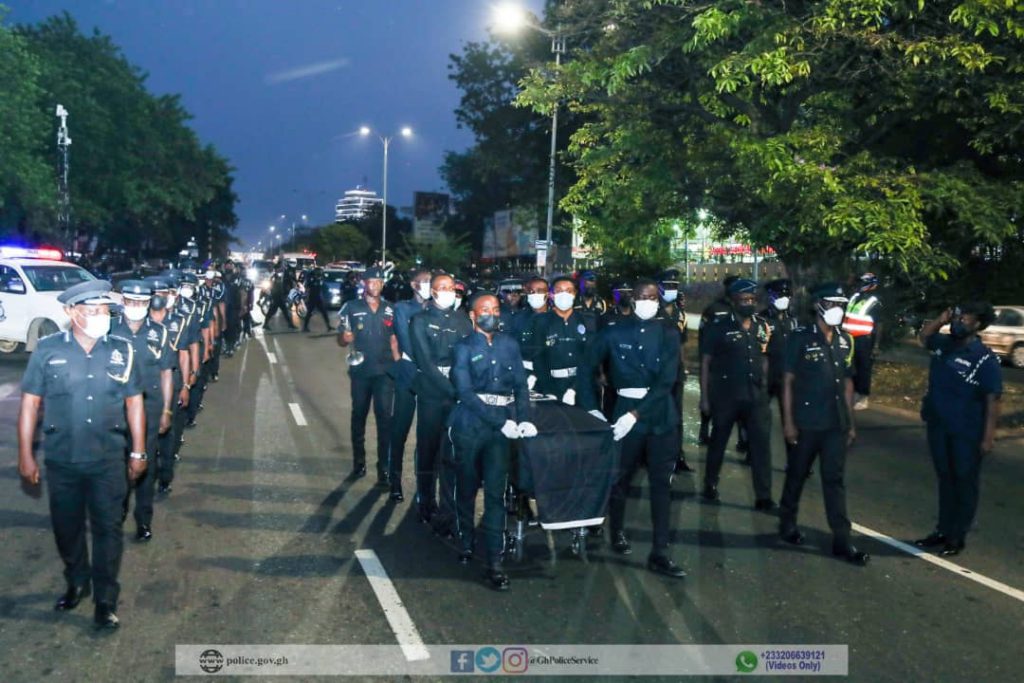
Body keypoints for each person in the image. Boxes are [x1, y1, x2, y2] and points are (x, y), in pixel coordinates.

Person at [17, 280, 147, 630]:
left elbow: (134, 402)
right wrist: (25, 454)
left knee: (108, 530)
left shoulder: (122, 349)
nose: (101, 317)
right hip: (63, 460)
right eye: (92, 311)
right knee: (67, 528)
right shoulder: (46, 350)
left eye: (105, 311)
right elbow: (30, 403)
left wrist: (138, 450)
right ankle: (77, 580)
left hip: (108, 459)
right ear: (71, 313)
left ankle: (105, 601)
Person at [580, 278, 686, 578]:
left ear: (659, 299)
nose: (646, 301)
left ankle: (660, 552)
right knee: (619, 478)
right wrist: (591, 407)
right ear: (631, 298)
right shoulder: (613, 331)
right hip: (624, 411)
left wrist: (636, 415)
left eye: (652, 297)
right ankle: (616, 531)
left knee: (661, 485)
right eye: (641, 296)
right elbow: (586, 366)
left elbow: (666, 381)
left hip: (659, 416)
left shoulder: (668, 332)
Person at [449, 292, 534, 591]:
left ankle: (494, 562)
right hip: (471, 426)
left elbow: (522, 386)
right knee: (467, 487)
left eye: (496, 310)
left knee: (496, 493)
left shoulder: (509, 345)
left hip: (502, 429)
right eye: (485, 310)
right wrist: (502, 422)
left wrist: (524, 419)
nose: (492, 314)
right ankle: (465, 541)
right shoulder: (462, 347)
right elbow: (465, 393)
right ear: (472, 315)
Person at [779, 283, 869, 566]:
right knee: (797, 475)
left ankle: (842, 541)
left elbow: (847, 383)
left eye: (841, 305)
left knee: (834, 481)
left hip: (835, 424)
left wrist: (850, 423)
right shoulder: (800, 338)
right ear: (818, 305)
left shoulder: (845, 340)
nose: (837, 310)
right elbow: (788, 382)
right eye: (832, 304)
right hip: (806, 423)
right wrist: (789, 423)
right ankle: (787, 525)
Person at [914, 302, 1001, 557]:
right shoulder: (943, 344)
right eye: (959, 317)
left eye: (966, 319)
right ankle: (942, 530)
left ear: (978, 325)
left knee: (964, 481)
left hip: (966, 432)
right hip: (938, 425)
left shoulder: (985, 358)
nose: (960, 322)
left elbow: (992, 400)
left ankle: (956, 536)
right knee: (945, 479)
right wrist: (942, 318)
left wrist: (987, 438)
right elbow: (924, 336)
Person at [699, 278, 774, 510]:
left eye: (751, 299)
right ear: (733, 301)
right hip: (726, 396)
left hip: (755, 396)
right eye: (743, 300)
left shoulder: (762, 325)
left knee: (761, 447)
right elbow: (705, 363)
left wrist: (765, 386)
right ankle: (710, 483)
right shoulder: (718, 326)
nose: (748, 303)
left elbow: (766, 358)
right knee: (718, 442)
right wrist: (705, 397)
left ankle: (764, 495)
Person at [112, 281, 175, 542]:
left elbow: (166, 374)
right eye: (131, 302)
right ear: (124, 302)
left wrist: (167, 410)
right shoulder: (109, 331)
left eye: (141, 303)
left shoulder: (159, 333)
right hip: (114, 410)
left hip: (149, 408)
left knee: (144, 465)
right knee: (116, 463)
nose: (136, 307)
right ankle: (119, 505)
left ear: (148, 304)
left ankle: (143, 519)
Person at [409, 274, 473, 531]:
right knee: (428, 449)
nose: (448, 292)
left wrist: (463, 389)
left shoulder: (463, 320)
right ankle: (425, 499)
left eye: (451, 288)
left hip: (458, 393)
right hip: (433, 394)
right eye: (442, 288)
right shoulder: (420, 321)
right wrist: (454, 390)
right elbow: (425, 363)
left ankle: (449, 507)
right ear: (432, 292)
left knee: (452, 452)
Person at [337, 267, 399, 482]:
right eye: (370, 281)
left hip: (385, 372)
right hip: (361, 372)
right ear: (364, 283)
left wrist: (399, 366)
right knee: (359, 416)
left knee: (385, 419)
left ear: (383, 284)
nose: (375, 285)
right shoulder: (351, 307)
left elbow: (394, 340)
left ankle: (383, 467)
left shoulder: (391, 309)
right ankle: (359, 462)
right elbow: (341, 339)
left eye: (378, 282)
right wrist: (345, 338)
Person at [387, 269, 432, 501]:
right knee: (400, 430)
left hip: (432, 380)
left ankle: (423, 489)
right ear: (414, 285)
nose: (428, 285)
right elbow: (405, 341)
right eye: (425, 282)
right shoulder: (402, 309)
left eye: (431, 282)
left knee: (427, 435)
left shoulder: (438, 309)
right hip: (409, 373)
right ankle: (394, 480)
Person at [145, 276, 191, 494]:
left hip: (170, 382)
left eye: (164, 295)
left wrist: (186, 384)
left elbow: (184, 354)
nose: (160, 299)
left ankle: (165, 474)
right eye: (155, 295)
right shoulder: (139, 325)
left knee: (166, 432)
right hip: (144, 386)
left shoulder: (177, 321)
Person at [655, 269, 694, 474]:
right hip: (655, 373)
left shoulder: (680, 314)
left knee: (676, 416)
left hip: (675, 373)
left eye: (674, 287)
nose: (671, 290)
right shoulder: (650, 310)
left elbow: (682, 344)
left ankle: (677, 456)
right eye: (668, 286)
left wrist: (684, 366)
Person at [697, 275, 740, 446]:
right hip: (714, 362)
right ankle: (704, 430)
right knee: (710, 398)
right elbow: (702, 334)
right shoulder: (713, 309)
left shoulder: (741, 308)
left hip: (734, 364)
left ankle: (741, 439)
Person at [762, 279, 801, 461]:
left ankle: (794, 459)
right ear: (771, 297)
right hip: (766, 376)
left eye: (787, 295)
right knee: (761, 418)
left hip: (786, 377)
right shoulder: (762, 319)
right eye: (780, 295)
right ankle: (753, 452)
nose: (784, 298)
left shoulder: (793, 320)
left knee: (790, 418)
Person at [842, 272, 883, 410]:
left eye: (863, 282)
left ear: (871, 285)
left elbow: (879, 325)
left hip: (863, 339)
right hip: (848, 338)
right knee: (849, 367)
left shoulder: (874, 302)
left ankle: (863, 396)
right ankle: (852, 393)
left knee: (863, 368)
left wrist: (876, 345)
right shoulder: (854, 297)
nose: (860, 285)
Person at [264, 263, 298, 330]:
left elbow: (287, 282)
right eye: (280, 268)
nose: (281, 269)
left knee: (284, 311)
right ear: (277, 269)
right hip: (276, 297)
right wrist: (273, 296)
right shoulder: (274, 277)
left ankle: (290, 324)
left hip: (280, 296)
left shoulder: (282, 276)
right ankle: (265, 324)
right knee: (272, 311)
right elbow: (272, 287)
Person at [303, 266, 333, 332]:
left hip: (318, 298)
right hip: (312, 298)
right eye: (319, 272)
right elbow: (308, 287)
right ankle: (305, 327)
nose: (320, 273)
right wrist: (307, 297)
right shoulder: (311, 278)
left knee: (324, 312)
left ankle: (328, 326)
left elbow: (322, 287)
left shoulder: (320, 278)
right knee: (309, 313)